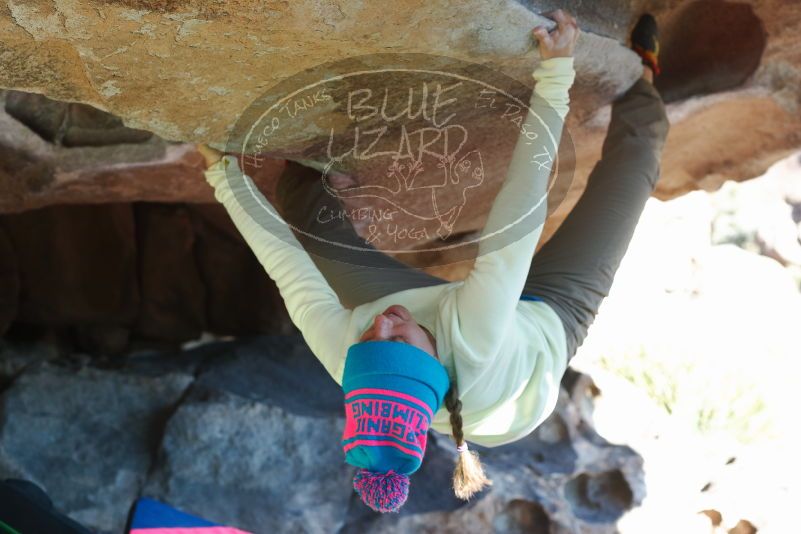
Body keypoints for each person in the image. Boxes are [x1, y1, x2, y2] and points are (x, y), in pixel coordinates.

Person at [198, 10, 669, 513]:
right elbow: (522, 205)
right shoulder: (474, 336)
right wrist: (556, 72)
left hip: (436, 324)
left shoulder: (351, 358)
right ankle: (646, 77)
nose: (380, 324)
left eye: (367, 339)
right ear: (432, 364)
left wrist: (224, 176)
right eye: (396, 339)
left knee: (302, 206)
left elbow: (288, 270)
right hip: (549, 325)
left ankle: (334, 189)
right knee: (632, 173)